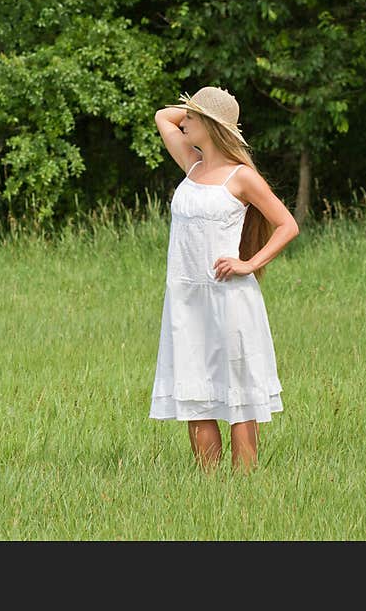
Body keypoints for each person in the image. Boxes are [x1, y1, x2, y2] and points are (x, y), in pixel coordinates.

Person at [150, 86, 299, 473]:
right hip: (185, 298)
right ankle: (209, 491)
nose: (183, 121)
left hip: (229, 298)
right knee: (194, 393)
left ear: (212, 128)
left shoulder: (242, 177)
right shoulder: (192, 164)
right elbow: (162, 117)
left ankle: (244, 490)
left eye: (193, 118)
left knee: (239, 394)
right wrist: (198, 107)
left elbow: (287, 225)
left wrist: (249, 263)